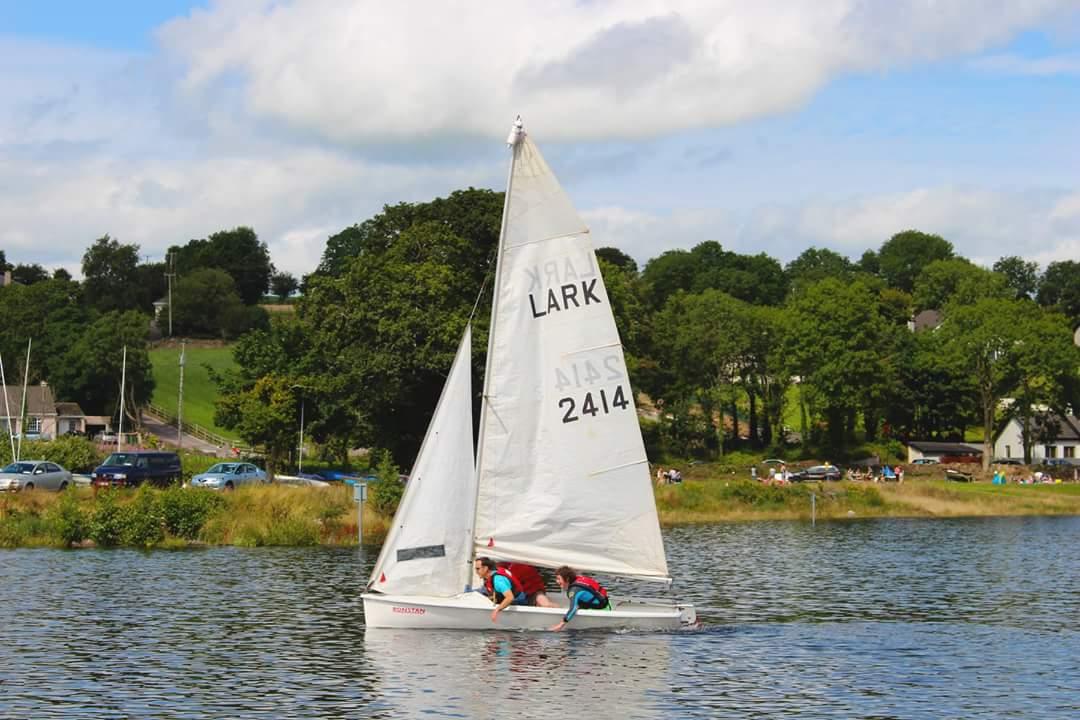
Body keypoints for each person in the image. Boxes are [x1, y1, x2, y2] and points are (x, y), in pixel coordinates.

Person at [550, 566, 610, 631]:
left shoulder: (574, 590)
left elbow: (573, 608)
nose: (557, 581)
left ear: (567, 579)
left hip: (602, 610)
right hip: (607, 604)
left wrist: (560, 625)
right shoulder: (578, 580)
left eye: (559, 579)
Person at [474, 556, 527, 623]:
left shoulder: (498, 580)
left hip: (518, 601)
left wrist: (497, 610)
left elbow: (510, 597)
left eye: (478, 569)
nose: (476, 572)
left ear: (485, 568)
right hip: (504, 594)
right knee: (471, 592)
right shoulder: (493, 573)